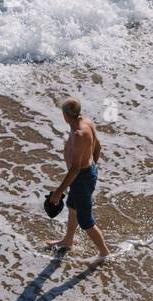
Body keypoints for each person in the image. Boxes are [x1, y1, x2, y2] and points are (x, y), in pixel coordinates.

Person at [46, 97, 109, 263]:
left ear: (66, 116)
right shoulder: (86, 122)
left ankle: (104, 253)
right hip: (84, 175)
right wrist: (92, 164)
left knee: (85, 220)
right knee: (72, 206)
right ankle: (68, 241)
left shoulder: (79, 134)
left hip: (81, 178)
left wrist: (58, 192)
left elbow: (75, 169)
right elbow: (98, 146)